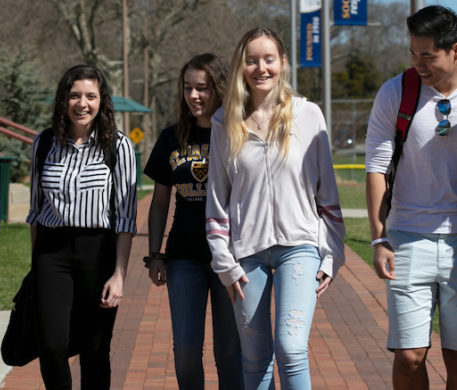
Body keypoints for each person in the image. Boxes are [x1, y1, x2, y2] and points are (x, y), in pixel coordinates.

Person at [205, 27, 346, 389]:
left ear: (282, 63)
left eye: (269, 59)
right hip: (246, 254)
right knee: (254, 358)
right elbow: (218, 200)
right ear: (241, 66)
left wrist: (332, 253)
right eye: (252, 60)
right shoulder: (224, 122)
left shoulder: (308, 115)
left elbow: (327, 193)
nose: (260, 68)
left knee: (291, 347)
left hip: (299, 247)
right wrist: (225, 262)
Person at [27, 64, 137, 390]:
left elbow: (126, 218)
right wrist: (36, 266)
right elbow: (34, 212)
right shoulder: (44, 144)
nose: (82, 103)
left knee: (95, 349)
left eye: (90, 96)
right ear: (63, 99)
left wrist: (119, 275)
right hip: (51, 252)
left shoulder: (118, 146)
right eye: (74, 95)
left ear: (102, 100)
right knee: (50, 345)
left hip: (98, 252)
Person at [365, 5, 457, 389]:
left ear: (455, 50)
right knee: (409, 355)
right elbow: (377, 166)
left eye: (428, 55)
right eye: (413, 53)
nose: (418, 63)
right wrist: (378, 237)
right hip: (407, 237)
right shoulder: (396, 92)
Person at [143, 53, 244, 390]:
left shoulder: (237, 133)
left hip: (231, 257)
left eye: (203, 88)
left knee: (230, 352)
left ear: (220, 88)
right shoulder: (172, 137)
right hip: (184, 256)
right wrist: (154, 253)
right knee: (186, 349)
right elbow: (159, 203)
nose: (194, 96)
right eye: (187, 88)